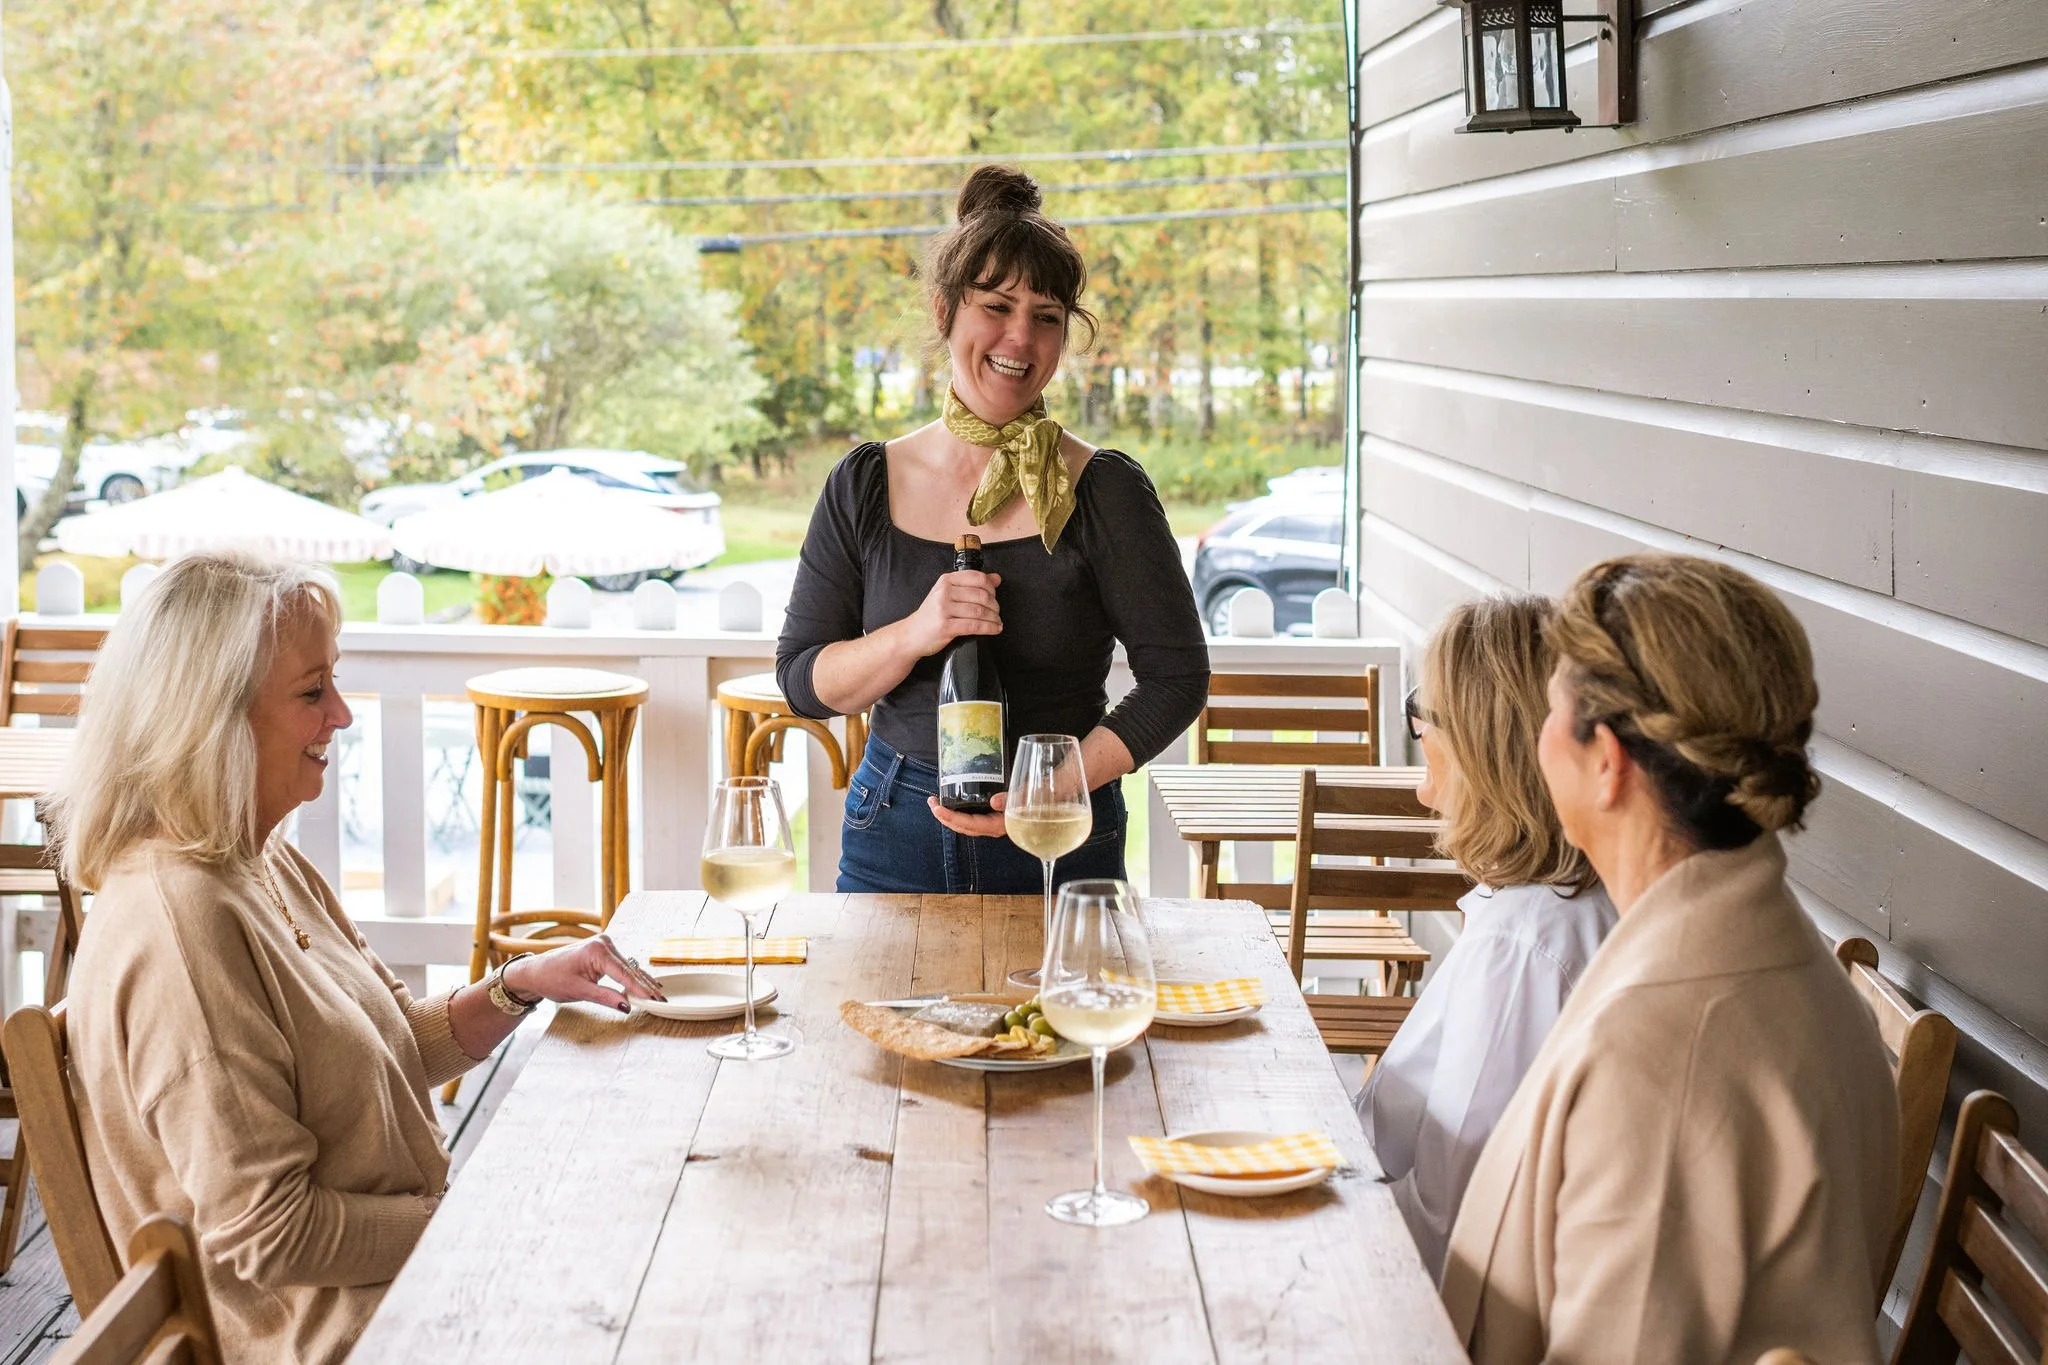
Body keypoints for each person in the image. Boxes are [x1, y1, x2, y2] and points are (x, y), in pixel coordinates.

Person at [54, 551, 666, 1365]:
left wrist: (519, 986)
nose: (341, 714)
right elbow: (274, 1232)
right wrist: (478, 1214)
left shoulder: (250, 858)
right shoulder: (180, 928)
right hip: (342, 1337)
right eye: (312, 692)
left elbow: (390, 1045)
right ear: (209, 717)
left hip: (409, 1292)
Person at [1440, 553, 1898, 1364]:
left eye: (1550, 709)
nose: (1537, 738)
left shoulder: (1661, 1061)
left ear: (1606, 761)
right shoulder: (1771, 956)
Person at [776, 164, 1208, 893]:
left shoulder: (1104, 490)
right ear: (945, 312)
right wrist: (917, 630)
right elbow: (803, 681)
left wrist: (1059, 781)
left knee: (1053, 1013)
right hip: (894, 828)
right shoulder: (866, 483)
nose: (1021, 337)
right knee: (873, 1015)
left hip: (1060, 829)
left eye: (1046, 316)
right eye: (997, 306)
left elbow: (1177, 678)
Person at [1354, 595, 1616, 1278]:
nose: (1424, 791)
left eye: (1424, 735)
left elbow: (1452, 1234)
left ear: (1486, 749)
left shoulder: (1526, 948)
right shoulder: (1538, 911)